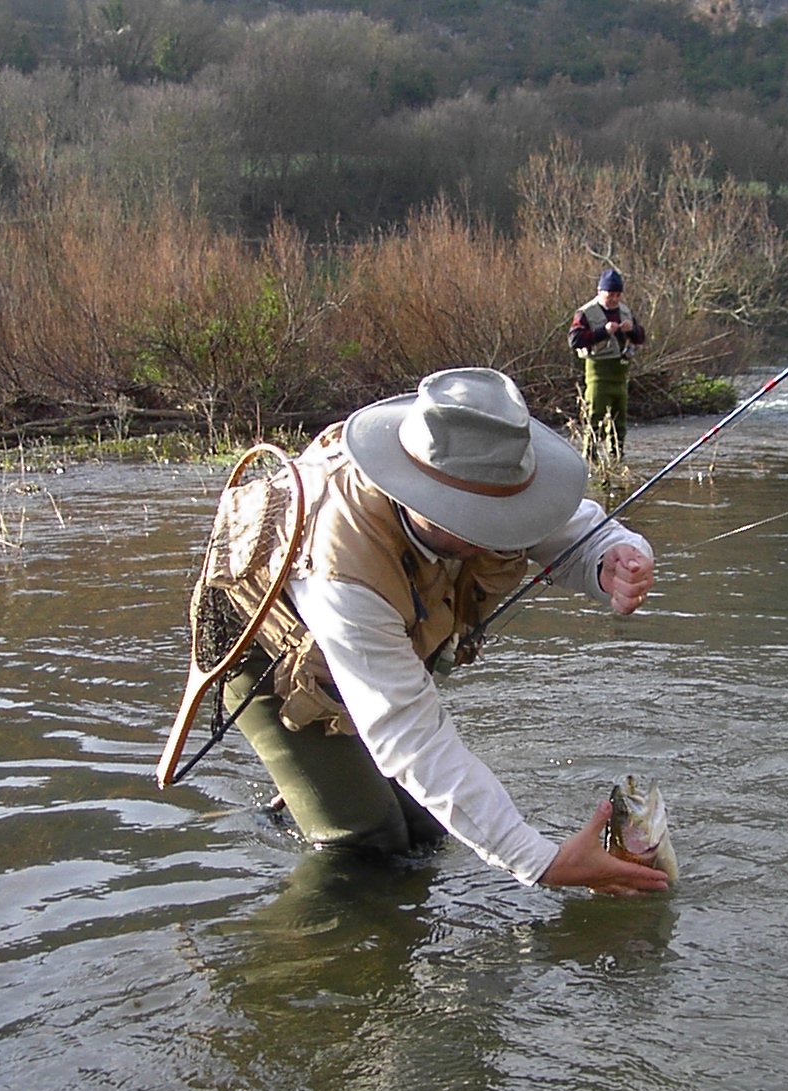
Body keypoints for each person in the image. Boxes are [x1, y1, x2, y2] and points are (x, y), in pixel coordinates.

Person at [210, 367, 668, 896]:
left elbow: (576, 532)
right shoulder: (341, 567)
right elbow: (410, 736)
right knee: (368, 845)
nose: (501, 526)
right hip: (268, 659)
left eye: (507, 510)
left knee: (427, 834)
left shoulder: (485, 470)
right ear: (417, 492)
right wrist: (540, 862)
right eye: (479, 515)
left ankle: (322, 787)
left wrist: (610, 560)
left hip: (371, 659)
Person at [568, 267, 646, 458]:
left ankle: (617, 458)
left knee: (619, 423)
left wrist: (632, 329)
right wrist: (603, 331)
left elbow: (640, 338)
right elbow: (574, 340)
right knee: (594, 419)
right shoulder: (585, 313)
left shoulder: (625, 311)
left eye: (618, 295)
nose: (614, 299)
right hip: (598, 376)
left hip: (620, 375)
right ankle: (590, 459)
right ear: (600, 292)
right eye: (610, 294)